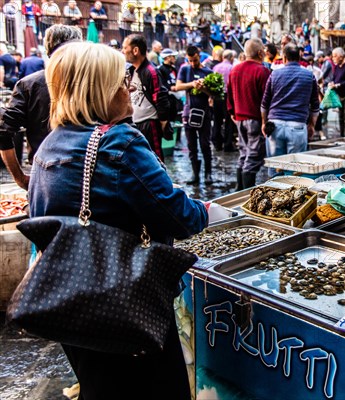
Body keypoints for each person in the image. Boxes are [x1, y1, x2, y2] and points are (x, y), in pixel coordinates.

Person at [29, 41, 208, 400]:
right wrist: (207, 211)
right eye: (121, 82)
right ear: (100, 91)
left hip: (70, 305)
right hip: (127, 305)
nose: (129, 89)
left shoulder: (48, 146)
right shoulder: (120, 142)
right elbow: (181, 216)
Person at [0, 24, 82, 190]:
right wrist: (19, 178)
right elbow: (4, 132)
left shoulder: (29, 84)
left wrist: (20, 178)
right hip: (80, 173)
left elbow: (4, 132)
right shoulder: (93, 81)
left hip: (48, 175)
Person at [261, 44, 320, 160]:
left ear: (284, 58)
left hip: (275, 126)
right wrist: (312, 125)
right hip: (297, 126)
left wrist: (264, 123)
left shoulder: (274, 75)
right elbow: (315, 105)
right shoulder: (309, 76)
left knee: (275, 168)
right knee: (295, 170)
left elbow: (264, 103)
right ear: (299, 58)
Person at [227, 38, 271, 189]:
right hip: (255, 119)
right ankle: (245, 193)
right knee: (252, 156)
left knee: (244, 153)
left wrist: (232, 112)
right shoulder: (262, 71)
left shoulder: (235, 70)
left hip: (239, 118)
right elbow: (267, 99)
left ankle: (239, 189)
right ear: (260, 53)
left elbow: (229, 94)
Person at [122, 34, 170, 161]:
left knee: (155, 158)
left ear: (135, 50)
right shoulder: (131, 71)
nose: (123, 51)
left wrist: (164, 123)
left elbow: (160, 96)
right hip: (135, 123)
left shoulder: (151, 71)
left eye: (125, 48)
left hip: (149, 123)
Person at [175, 45, 214, 185]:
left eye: (195, 60)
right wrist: (192, 84)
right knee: (192, 146)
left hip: (204, 113)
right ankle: (195, 175)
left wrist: (203, 88)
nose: (192, 63)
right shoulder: (184, 69)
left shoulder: (208, 71)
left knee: (205, 145)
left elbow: (214, 94)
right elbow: (178, 86)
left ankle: (208, 174)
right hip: (189, 112)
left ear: (199, 56)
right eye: (190, 60)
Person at [213, 49, 236, 152]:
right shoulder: (232, 68)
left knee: (217, 120)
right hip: (228, 96)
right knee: (228, 121)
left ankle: (217, 143)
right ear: (231, 58)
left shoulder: (216, 67)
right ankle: (227, 144)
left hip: (217, 95)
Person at [329, 47, 345, 137]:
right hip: (340, 95)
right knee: (341, 118)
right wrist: (332, 83)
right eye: (333, 56)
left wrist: (338, 85)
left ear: (341, 56)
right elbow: (334, 79)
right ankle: (341, 137)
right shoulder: (336, 67)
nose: (333, 58)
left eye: (335, 56)